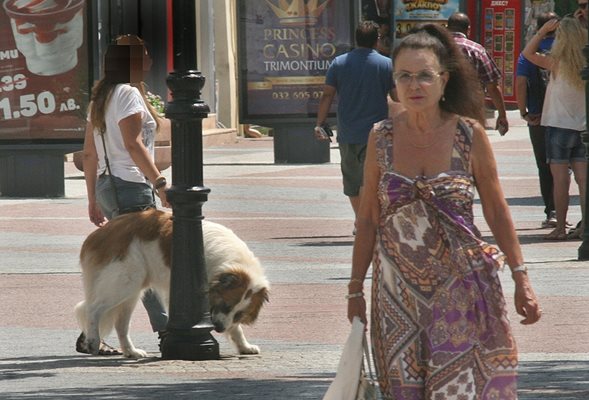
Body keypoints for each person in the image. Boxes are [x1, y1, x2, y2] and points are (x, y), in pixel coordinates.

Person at [346, 24, 541, 399]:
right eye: (404, 75)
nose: (414, 85)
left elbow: (497, 211)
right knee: (402, 391)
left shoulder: (468, 134)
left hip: (462, 289)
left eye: (424, 75)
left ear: (444, 80)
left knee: (460, 390)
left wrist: (521, 277)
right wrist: (354, 290)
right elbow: (368, 218)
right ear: (393, 82)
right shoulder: (380, 137)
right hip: (395, 295)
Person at [76, 34, 171, 355]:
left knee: (123, 263)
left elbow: (89, 154)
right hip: (130, 186)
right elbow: (133, 144)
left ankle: (96, 330)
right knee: (145, 262)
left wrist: (92, 198)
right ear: (131, 61)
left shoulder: (101, 98)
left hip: (108, 187)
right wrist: (158, 182)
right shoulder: (128, 94)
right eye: (144, 55)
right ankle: (168, 329)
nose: (149, 60)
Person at [315, 21, 393, 223]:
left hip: (348, 132)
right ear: (377, 40)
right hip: (377, 133)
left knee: (352, 179)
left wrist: (319, 123)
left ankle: (361, 219)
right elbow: (397, 96)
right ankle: (371, 219)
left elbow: (327, 95)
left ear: (356, 39)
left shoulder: (339, 63)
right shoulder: (386, 64)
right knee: (374, 178)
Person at [522, 17, 587, 241]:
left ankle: (560, 226)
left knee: (560, 181)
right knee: (583, 180)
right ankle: (585, 227)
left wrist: (542, 32)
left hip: (558, 127)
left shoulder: (556, 62)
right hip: (583, 128)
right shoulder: (585, 62)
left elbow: (527, 53)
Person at [516, 12, 558, 229]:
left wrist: (523, 111)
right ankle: (565, 212)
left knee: (544, 165)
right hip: (562, 116)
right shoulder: (566, 50)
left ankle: (550, 210)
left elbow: (521, 83)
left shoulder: (528, 54)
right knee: (565, 166)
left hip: (538, 116)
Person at [447, 12, 509, 135]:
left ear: (447, 28)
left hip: (441, 108)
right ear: (468, 29)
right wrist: (502, 115)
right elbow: (492, 86)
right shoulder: (476, 50)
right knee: (470, 147)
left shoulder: (437, 47)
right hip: (470, 109)